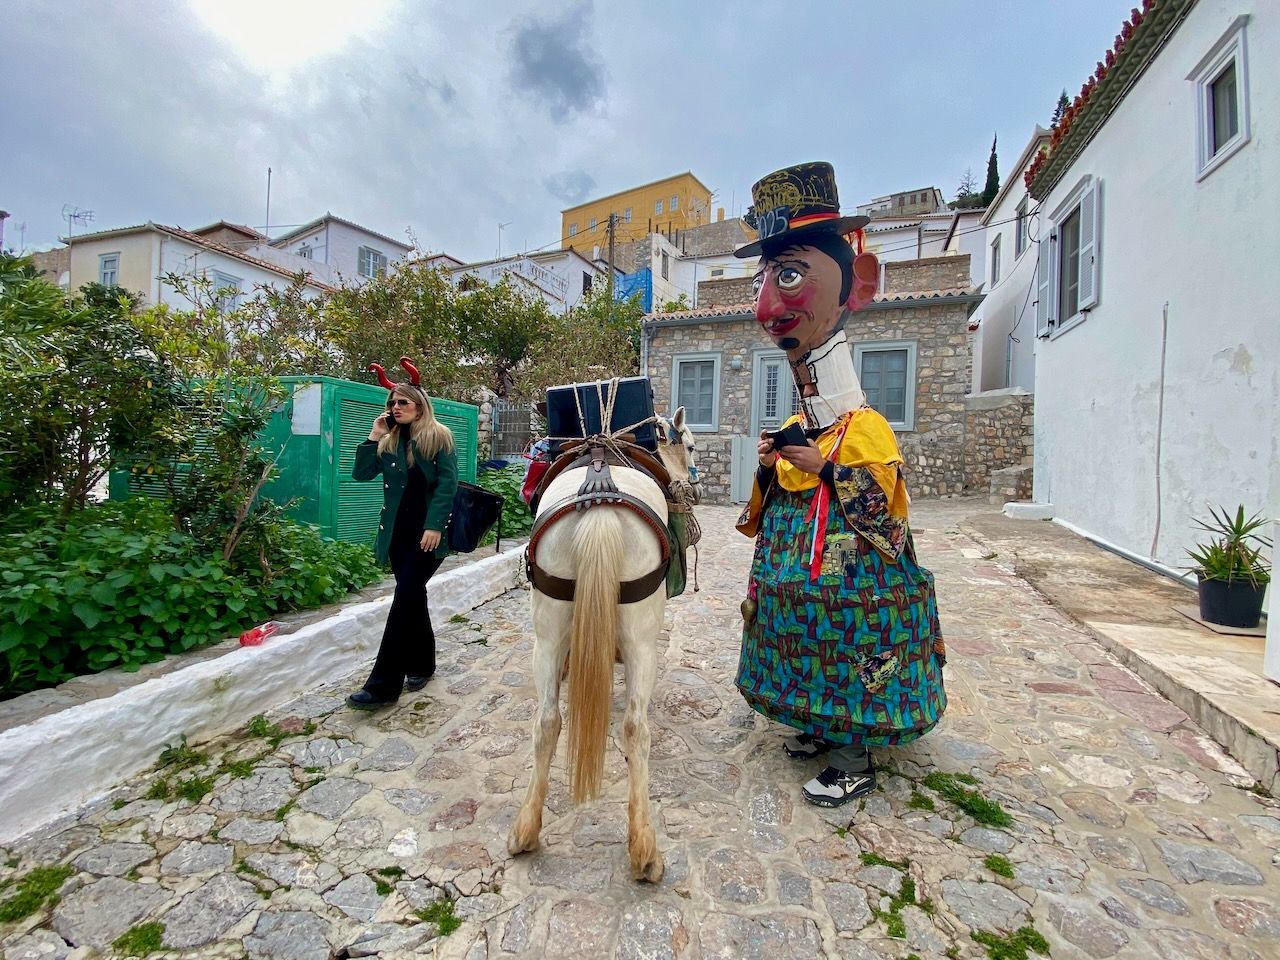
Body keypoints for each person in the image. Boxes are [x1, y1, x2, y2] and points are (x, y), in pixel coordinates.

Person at [733, 162, 946, 807]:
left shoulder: (867, 430)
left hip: (850, 575)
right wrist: (776, 466)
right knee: (802, 626)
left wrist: (822, 466)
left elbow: (887, 524)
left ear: (859, 285)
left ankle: (854, 751)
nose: (768, 305)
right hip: (799, 563)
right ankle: (818, 724)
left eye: (790, 276)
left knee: (853, 632)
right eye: (765, 280)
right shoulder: (807, 420)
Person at [347, 369, 458, 710]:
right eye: (392, 402)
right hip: (397, 536)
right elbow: (361, 474)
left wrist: (435, 525)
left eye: (403, 402)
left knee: (403, 598)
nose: (396, 407)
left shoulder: (439, 437)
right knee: (413, 597)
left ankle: (383, 685)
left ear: (420, 406)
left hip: (428, 536)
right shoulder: (389, 440)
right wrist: (371, 436)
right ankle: (423, 665)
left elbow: (447, 485)